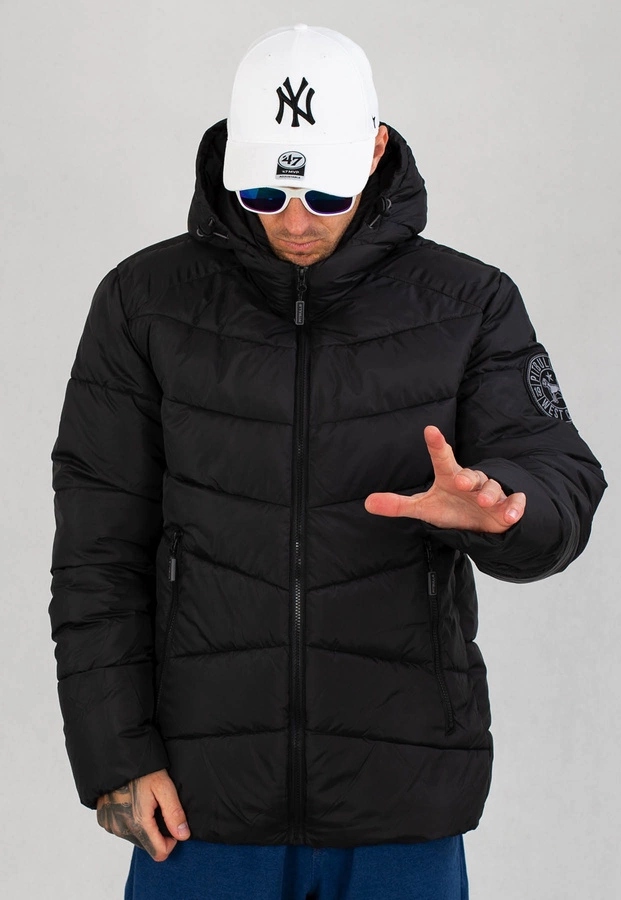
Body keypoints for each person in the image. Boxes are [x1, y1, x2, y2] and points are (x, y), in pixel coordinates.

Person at [48, 23, 606, 900]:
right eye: (264, 192)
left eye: (324, 192)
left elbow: (559, 474)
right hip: (200, 799)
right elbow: (96, 550)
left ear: (374, 151)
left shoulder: (468, 304)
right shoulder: (143, 303)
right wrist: (114, 754)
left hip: (400, 795)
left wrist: (506, 510)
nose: (295, 221)